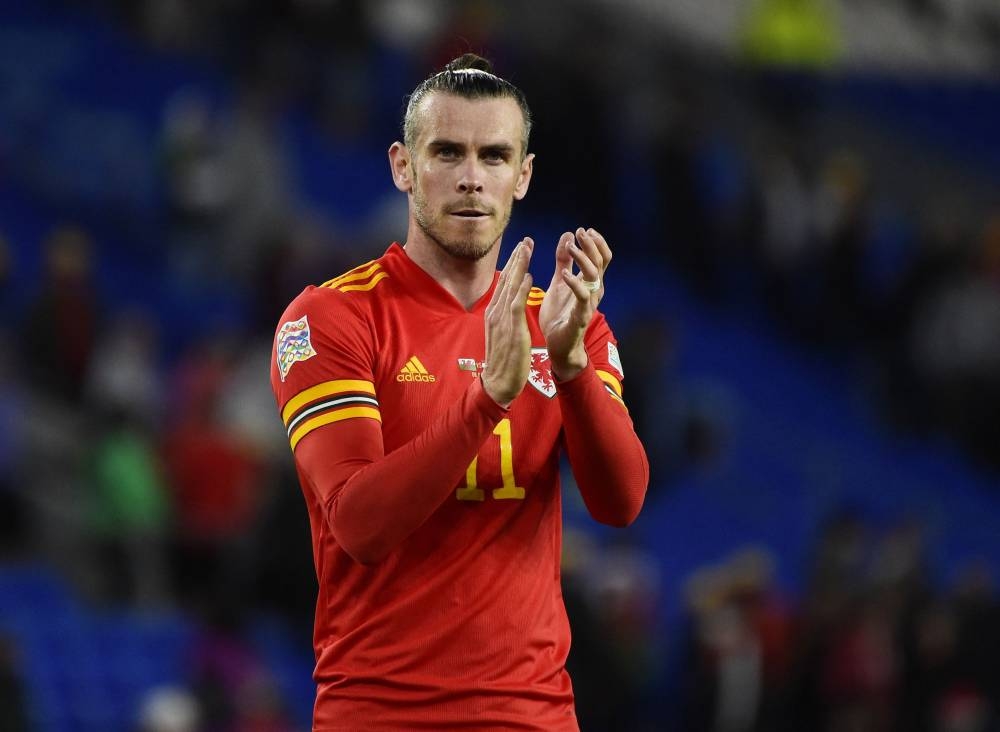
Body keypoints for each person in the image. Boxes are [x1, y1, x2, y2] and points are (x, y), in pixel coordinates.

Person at [270, 53, 649, 731]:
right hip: (382, 715)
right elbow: (358, 525)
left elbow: (620, 502)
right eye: (447, 152)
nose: (472, 178)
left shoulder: (565, 322)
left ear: (523, 176)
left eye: (495, 156)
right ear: (403, 167)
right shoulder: (330, 319)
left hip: (533, 716)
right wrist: (487, 402)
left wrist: (568, 367)